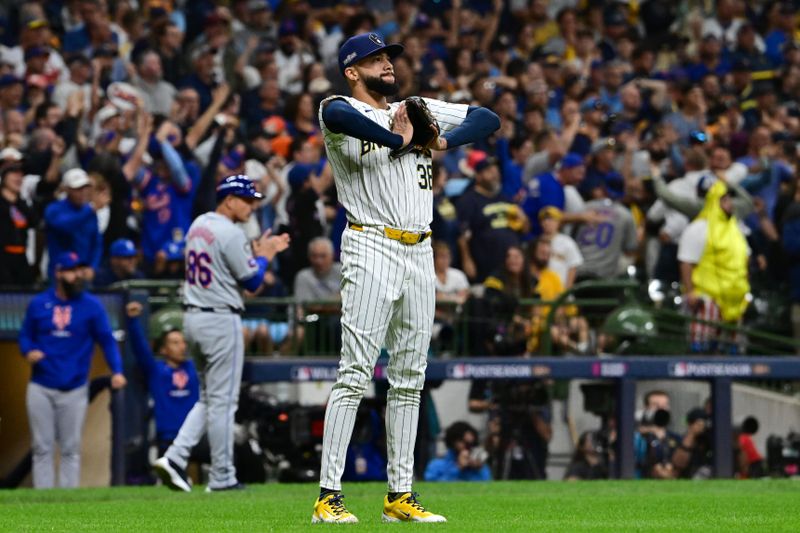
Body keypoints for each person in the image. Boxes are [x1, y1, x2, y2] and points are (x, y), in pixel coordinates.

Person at [312, 32, 499, 523]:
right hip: (371, 242)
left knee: (410, 379)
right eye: (374, 59)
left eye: (387, 56)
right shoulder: (338, 107)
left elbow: (487, 118)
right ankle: (328, 495)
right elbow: (336, 116)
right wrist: (400, 139)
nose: (386, 63)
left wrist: (438, 138)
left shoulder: (416, 105)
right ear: (352, 71)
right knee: (354, 373)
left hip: (420, 249)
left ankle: (400, 495)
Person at [153, 175, 290, 493]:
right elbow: (253, 283)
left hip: (193, 318)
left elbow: (228, 269)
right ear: (228, 200)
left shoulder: (198, 224)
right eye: (247, 199)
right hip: (219, 320)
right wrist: (266, 254)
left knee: (208, 399)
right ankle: (222, 476)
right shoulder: (230, 232)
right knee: (224, 403)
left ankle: (174, 457)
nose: (252, 206)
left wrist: (253, 255)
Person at [18, 251, 127, 489]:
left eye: (79, 270)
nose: (77, 275)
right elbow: (25, 335)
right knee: (42, 446)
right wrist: (28, 351)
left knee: (70, 447)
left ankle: (69, 497)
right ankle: (43, 499)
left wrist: (117, 369)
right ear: (58, 273)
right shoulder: (39, 303)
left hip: (75, 385)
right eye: (71, 270)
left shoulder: (91, 306)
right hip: (41, 385)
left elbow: (107, 340)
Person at [678, 181, 750, 354]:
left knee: (730, 352)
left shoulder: (735, 228)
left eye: (729, 199)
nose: (730, 204)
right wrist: (690, 292)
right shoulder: (699, 228)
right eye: (724, 200)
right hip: (707, 298)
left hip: (734, 300)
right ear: (714, 201)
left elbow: (745, 258)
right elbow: (686, 262)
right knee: (703, 349)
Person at [125, 302, 199, 455]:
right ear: (163, 349)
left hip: (196, 435)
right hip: (168, 436)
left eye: (183, 342)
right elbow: (140, 349)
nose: (181, 347)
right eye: (175, 343)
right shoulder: (157, 370)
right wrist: (132, 321)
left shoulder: (193, 367)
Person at [44, 168, 103, 282]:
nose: (83, 192)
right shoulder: (54, 209)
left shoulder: (90, 212)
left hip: (83, 273)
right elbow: (65, 227)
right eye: (78, 189)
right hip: (60, 273)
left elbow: (96, 243)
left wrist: (93, 267)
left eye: (85, 188)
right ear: (67, 189)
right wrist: (90, 210)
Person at [0, 163, 37, 286]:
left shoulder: (23, 205)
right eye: (14, 173)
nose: (19, 178)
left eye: (21, 175)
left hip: (21, 258)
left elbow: (34, 224)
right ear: (4, 178)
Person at [424, 421, 491, 482]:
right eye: (463, 442)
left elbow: (487, 486)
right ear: (453, 442)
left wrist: (479, 470)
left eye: (471, 444)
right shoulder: (436, 465)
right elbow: (432, 486)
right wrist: (458, 467)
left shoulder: (480, 466)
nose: (468, 447)